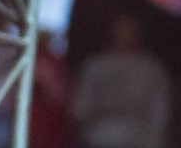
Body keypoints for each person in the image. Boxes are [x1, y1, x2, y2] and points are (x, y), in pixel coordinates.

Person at [74, 12, 174, 148]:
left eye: (131, 29)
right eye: (122, 29)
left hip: (140, 142)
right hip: (100, 139)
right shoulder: (96, 67)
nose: (126, 34)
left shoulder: (152, 69)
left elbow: (160, 112)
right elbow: (81, 108)